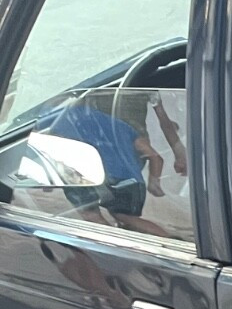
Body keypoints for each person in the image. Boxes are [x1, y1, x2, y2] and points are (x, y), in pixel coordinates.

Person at [38, 95, 170, 238]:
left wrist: (47, 182)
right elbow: (156, 157)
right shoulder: (119, 125)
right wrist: (153, 182)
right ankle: (172, 241)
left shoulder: (55, 123)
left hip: (88, 179)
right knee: (127, 218)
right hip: (131, 183)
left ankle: (115, 246)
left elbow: (51, 155)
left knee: (91, 215)